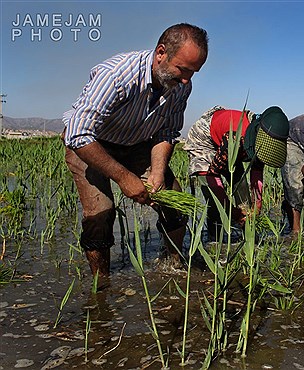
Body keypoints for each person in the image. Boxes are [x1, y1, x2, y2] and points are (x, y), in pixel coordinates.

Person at [62, 23, 209, 277]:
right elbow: (78, 133)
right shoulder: (116, 75)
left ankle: (173, 264)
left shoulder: (181, 86)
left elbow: (167, 133)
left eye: (193, 73)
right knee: (100, 214)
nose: (186, 80)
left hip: (135, 142)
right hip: (91, 144)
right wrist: (124, 178)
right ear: (161, 53)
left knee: (173, 199)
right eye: (182, 70)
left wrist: (158, 174)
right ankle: (102, 285)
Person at [183, 105, 289, 240]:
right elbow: (212, 175)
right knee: (215, 202)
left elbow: (257, 170)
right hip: (205, 139)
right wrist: (231, 210)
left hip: (231, 143)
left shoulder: (264, 141)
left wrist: (257, 204)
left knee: (242, 187)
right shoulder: (235, 138)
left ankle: (249, 239)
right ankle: (215, 240)